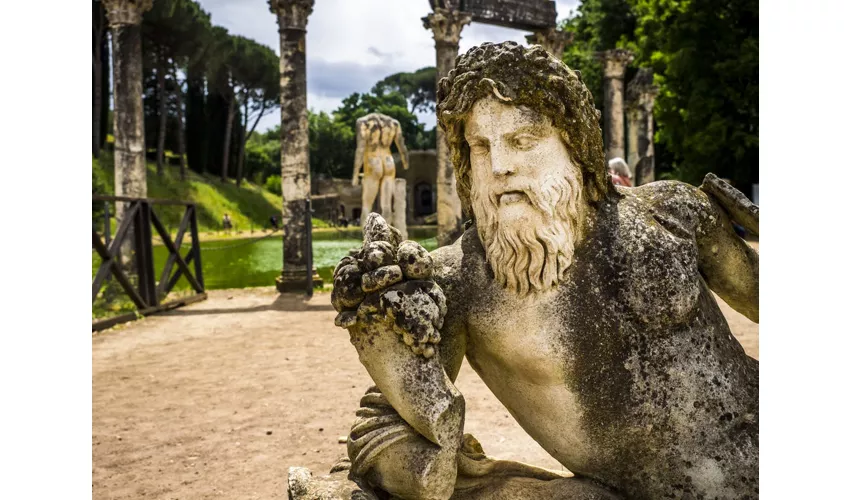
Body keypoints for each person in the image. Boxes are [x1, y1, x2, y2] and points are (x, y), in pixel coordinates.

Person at [333, 42, 758, 500]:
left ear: (574, 142)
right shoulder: (457, 284)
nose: (499, 166)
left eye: (522, 140)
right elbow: (379, 432)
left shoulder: (673, 210)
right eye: (480, 146)